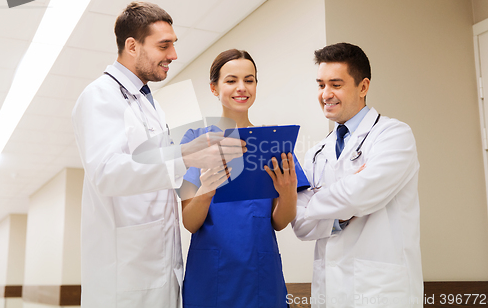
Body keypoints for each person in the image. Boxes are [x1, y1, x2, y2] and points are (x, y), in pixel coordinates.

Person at [71, 2, 245, 308]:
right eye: (164, 46)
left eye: (174, 45)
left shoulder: (150, 105)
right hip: (124, 278)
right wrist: (186, 157)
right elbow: (107, 173)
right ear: (132, 46)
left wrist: (209, 176)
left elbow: (164, 179)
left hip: (159, 267)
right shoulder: (99, 96)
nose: (173, 55)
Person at [292, 43, 423, 307]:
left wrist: (315, 204)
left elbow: (360, 195)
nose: (326, 94)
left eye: (336, 84)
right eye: (320, 85)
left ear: (363, 87)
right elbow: (300, 225)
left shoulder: (394, 135)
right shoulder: (316, 152)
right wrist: (342, 211)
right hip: (329, 291)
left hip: (380, 290)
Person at [179, 49, 302, 308]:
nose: (242, 87)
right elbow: (189, 223)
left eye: (249, 79)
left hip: (261, 273)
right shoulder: (196, 141)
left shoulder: (273, 142)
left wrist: (288, 192)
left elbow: (279, 222)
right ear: (214, 88)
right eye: (231, 80)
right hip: (210, 274)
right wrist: (207, 190)